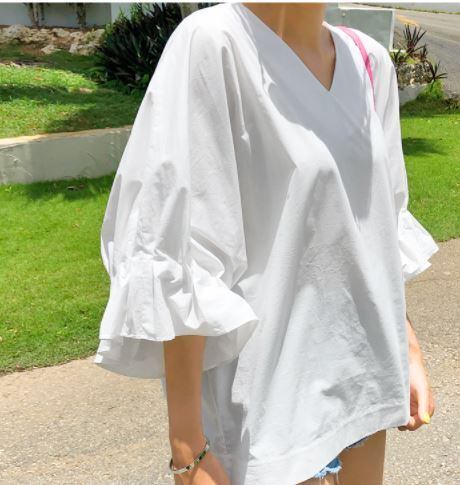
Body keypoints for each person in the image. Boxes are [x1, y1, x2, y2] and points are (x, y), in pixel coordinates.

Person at [93, 3, 439, 484]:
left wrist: (407, 345)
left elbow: (378, 223)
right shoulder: (216, 44)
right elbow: (182, 245)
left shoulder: (368, 62)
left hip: (363, 376)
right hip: (266, 409)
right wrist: (187, 447)